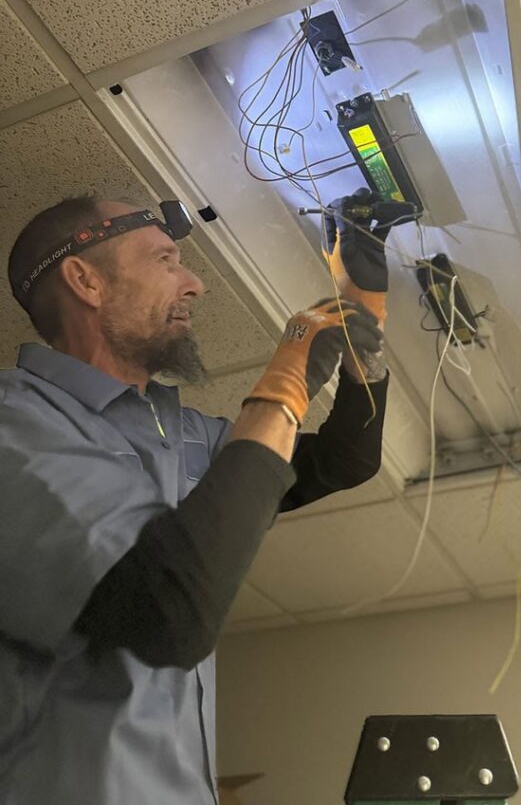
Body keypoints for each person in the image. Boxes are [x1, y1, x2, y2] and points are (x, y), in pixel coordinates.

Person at [0, 188, 394, 805]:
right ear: (85, 280)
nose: (196, 284)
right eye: (164, 260)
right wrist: (287, 379)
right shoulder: (15, 423)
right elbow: (168, 612)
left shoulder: (183, 435)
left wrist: (359, 310)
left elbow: (348, 458)